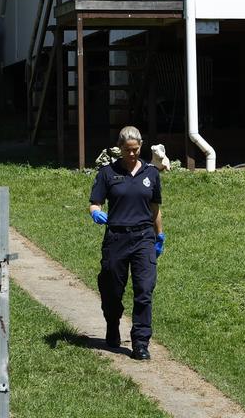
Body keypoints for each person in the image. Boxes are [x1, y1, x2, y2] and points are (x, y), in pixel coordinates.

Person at [88, 125, 164, 360]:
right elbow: (95, 202)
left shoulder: (151, 174)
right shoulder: (107, 174)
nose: (132, 154)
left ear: (140, 146)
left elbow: (155, 208)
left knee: (144, 290)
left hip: (143, 238)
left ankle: (140, 342)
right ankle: (112, 323)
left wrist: (159, 235)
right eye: (128, 150)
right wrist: (95, 213)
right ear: (119, 148)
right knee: (112, 289)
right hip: (116, 238)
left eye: (136, 149)